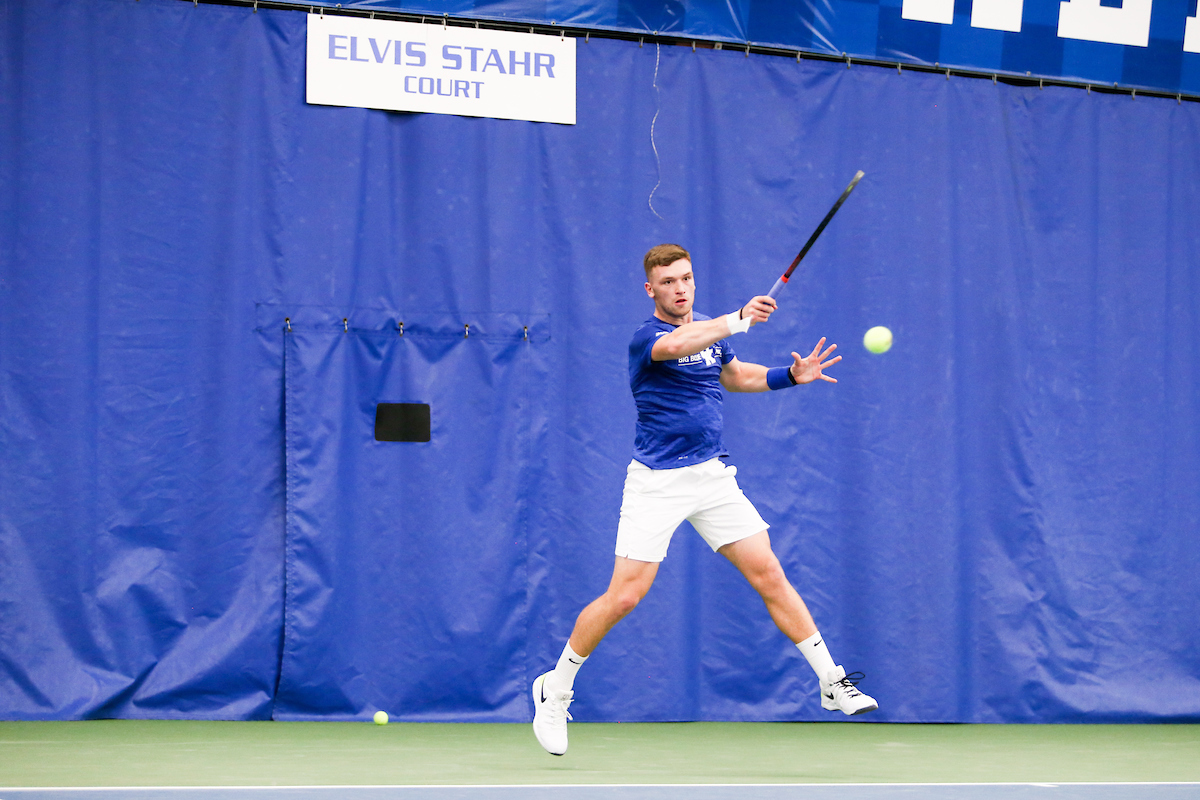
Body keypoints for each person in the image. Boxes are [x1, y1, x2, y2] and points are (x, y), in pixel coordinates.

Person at [531, 243, 877, 756]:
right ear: (651, 290)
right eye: (668, 282)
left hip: (711, 476)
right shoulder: (648, 338)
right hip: (656, 482)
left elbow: (735, 376)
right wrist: (737, 319)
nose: (680, 289)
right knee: (624, 596)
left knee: (769, 573)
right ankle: (555, 688)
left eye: (686, 278)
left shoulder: (712, 334)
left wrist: (789, 376)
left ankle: (831, 679)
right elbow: (678, 344)